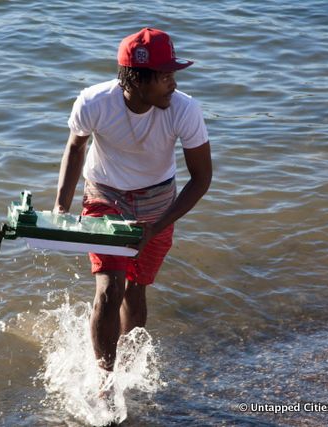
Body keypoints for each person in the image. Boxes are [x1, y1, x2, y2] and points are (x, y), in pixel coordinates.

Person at [53, 28, 212, 377]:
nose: (173, 82)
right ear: (137, 79)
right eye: (165, 75)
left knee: (136, 291)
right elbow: (76, 147)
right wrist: (61, 209)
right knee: (110, 289)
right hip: (104, 195)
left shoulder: (184, 109)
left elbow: (201, 178)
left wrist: (157, 225)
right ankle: (105, 383)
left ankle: (127, 372)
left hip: (159, 201)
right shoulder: (94, 102)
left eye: (173, 74)